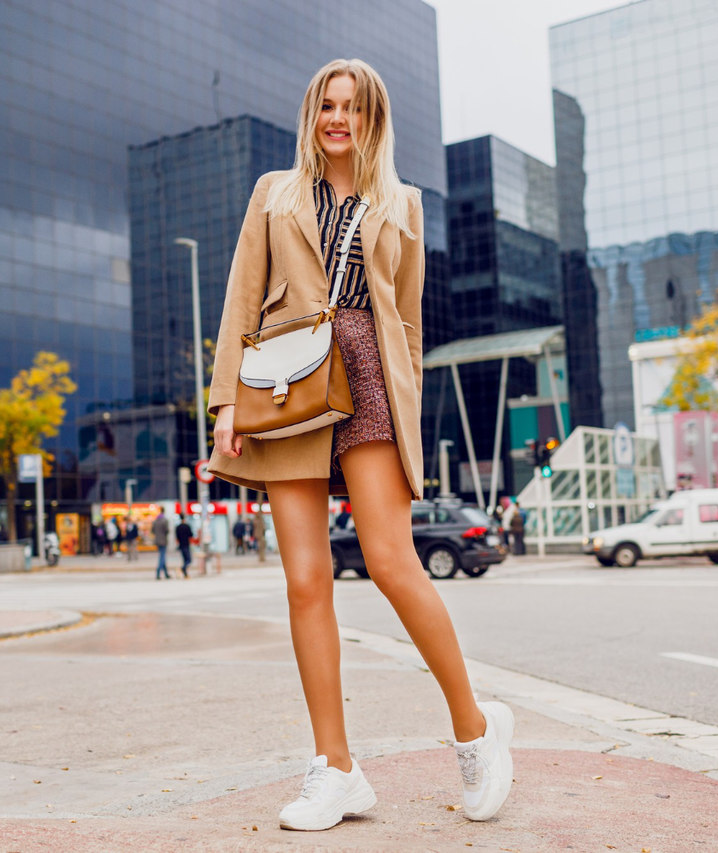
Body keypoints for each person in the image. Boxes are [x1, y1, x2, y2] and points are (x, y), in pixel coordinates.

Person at [205, 59, 514, 831]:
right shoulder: (273, 192)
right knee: (306, 581)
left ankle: (476, 729)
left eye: (351, 108)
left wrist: (405, 418)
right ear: (312, 114)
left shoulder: (401, 203)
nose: (336, 119)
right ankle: (335, 767)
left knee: (390, 560)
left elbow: (406, 324)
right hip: (286, 384)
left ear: (372, 119)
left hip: (369, 381)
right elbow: (243, 291)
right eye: (326, 106)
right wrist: (223, 402)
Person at [152, 507, 170, 580]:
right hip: (163, 540)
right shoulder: (164, 520)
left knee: (162, 555)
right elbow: (167, 530)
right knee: (162, 556)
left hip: (157, 540)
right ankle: (158, 572)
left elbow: (152, 530)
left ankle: (166, 574)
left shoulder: (155, 520)